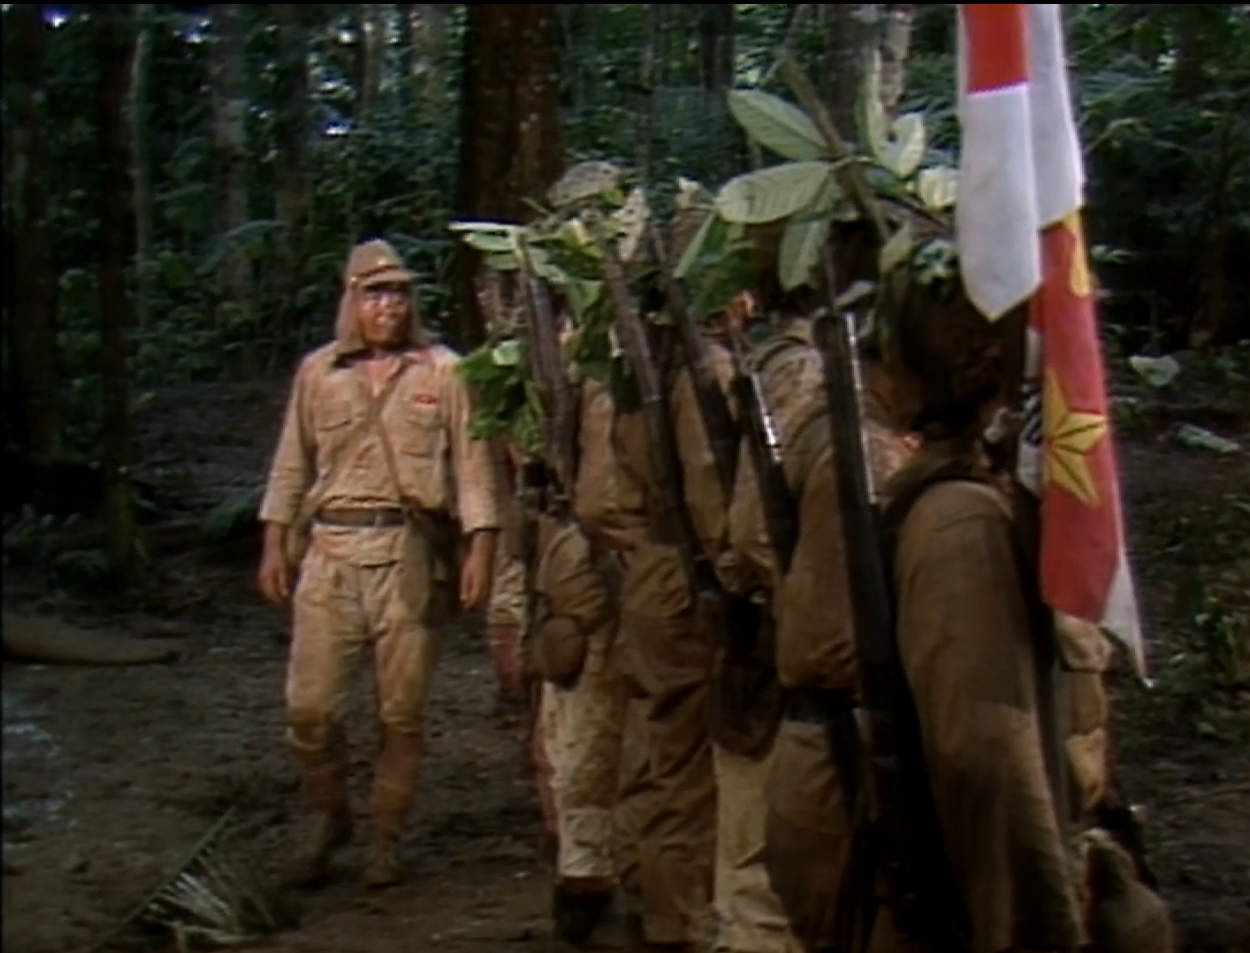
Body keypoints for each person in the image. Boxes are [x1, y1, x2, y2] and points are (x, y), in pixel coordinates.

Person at [256, 238, 499, 888]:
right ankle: (327, 813)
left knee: (401, 711)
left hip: (407, 552)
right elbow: (290, 462)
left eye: (398, 293)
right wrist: (274, 542)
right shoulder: (318, 372)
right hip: (330, 553)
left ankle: (385, 836)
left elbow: (473, 468)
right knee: (310, 709)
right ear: (352, 299)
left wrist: (480, 548)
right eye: (375, 293)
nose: (388, 305)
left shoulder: (444, 371)